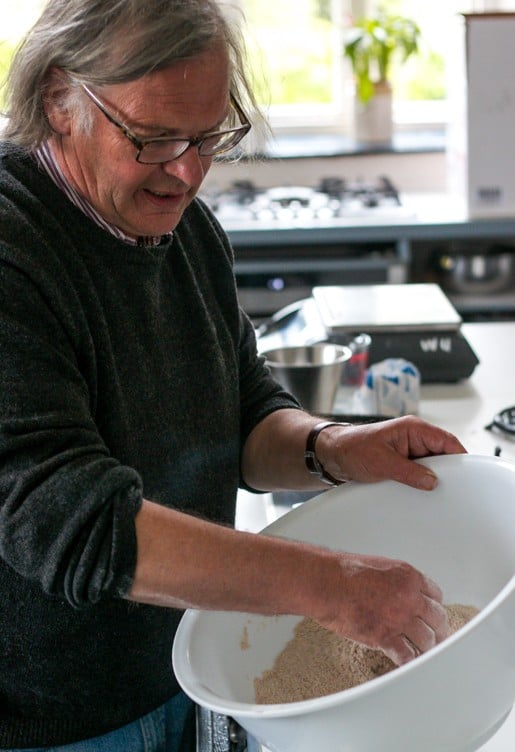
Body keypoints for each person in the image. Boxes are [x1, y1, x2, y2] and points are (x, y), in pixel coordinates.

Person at [0, 1, 466, 750]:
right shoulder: (15, 246)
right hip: (49, 720)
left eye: (209, 134)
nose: (187, 171)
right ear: (60, 100)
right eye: (152, 139)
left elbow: (241, 409)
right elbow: (70, 519)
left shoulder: (181, 229)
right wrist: (331, 586)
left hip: (186, 672)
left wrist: (330, 447)